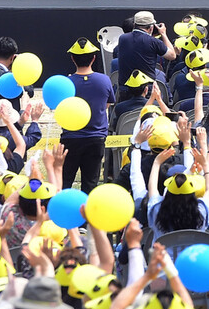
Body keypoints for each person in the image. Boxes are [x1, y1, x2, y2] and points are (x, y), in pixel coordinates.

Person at [62, 38, 115, 193]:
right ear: (93, 58)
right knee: (90, 185)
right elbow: (106, 104)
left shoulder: (66, 82)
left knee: (64, 183)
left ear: (73, 58)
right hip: (96, 139)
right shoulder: (104, 80)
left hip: (70, 138)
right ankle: (88, 217)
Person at [116, 11, 175, 94]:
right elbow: (172, 56)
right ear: (151, 27)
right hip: (146, 89)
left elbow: (139, 43)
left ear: (134, 25)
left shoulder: (122, 38)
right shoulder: (154, 42)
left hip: (125, 88)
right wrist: (163, 34)